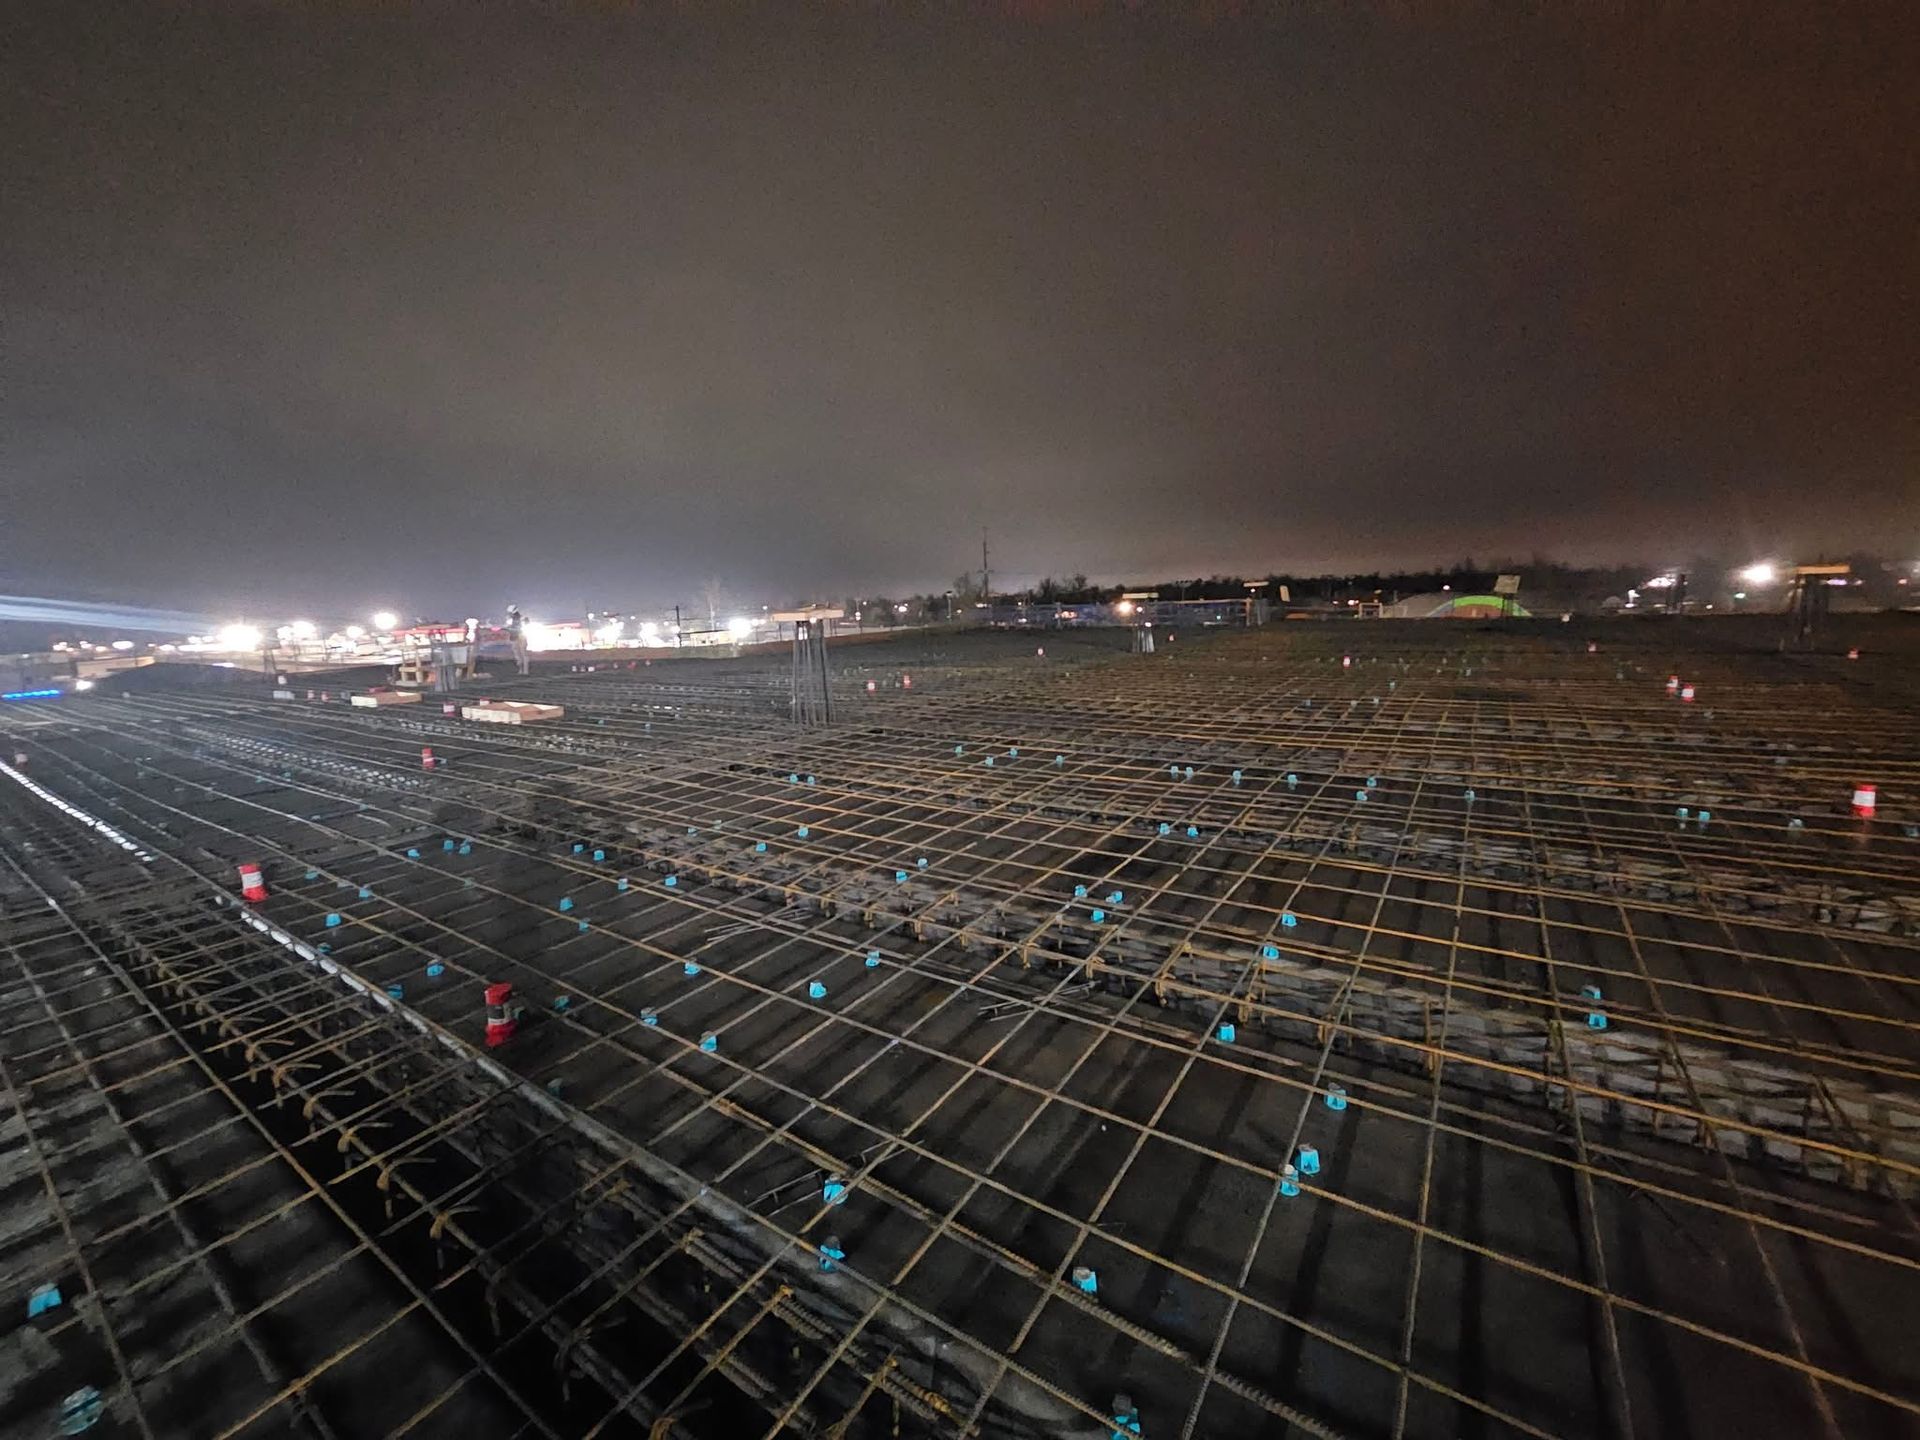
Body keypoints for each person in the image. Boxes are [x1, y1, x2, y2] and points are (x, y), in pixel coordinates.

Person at [506, 605, 530, 675]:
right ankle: (523, 670)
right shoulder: (520, 618)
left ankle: (523, 670)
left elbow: (509, 628)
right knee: (520, 654)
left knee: (520, 654)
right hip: (518, 636)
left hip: (517, 637)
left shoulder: (512, 619)